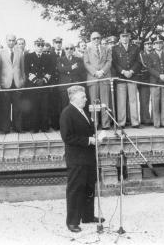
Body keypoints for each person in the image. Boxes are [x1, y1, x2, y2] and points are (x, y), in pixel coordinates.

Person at [59, 85, 105, 233]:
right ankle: (72, 221)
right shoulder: (67, 113)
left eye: (85, 96)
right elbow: (67, 137)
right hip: (77, 159)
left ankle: (87, 216)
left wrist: (96, 137)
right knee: (75, 189)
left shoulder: (82, 111)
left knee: (89, 187)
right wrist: (89, 140)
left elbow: (88, 131)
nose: (86, 99)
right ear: (73, 98)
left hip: (88, 157)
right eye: (83, 97)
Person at [0, 34, 25, 133]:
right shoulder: (0, 52)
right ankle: (6, 128)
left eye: (13, 40)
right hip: (5, 83)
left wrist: (22, 81)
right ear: (6, 41)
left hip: (17, 83)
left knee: (18, 107)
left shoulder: (20, 52)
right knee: (5, 107)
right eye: (9, 40)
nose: (11, 42)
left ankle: (18, 127)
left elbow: (22, 68)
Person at [112, 29, 140, 128]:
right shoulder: (115, 48)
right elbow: (114, 63)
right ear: (120, 37)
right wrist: (123, 71)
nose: (125, 38)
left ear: (129, 37)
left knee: (133, 100)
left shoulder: (135, 47)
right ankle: (121, 122)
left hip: (132, 76)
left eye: (126, 36)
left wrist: (131, 71)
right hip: (121, 77)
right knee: (121, 100)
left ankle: (135, 122)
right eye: (123, 36)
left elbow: (138, 62)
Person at [83, 32, 112, 129]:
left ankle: (106, 124)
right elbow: (86, 63)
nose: (96, 40)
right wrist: (95, 73)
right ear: (91, 39)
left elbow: (109, 61)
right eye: (94, 38)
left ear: (100, 39)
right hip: (93, 78)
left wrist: (102, 72)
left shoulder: (106, 49)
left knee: (105, 102)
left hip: (104, 77)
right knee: (93, 102)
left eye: (98, 38)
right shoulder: (87, 49)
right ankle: (94, 124)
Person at [24, 38, 53, 133]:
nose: (40, 47)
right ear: (34, 46)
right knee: (34, 106)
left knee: (44, 106)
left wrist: (44, 80)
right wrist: (35, 80)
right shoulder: (28, 56)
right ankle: (34, 127)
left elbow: (50, 70)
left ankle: (44, 127)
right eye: (38, 45)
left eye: (41, 45)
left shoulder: (47, 57)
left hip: (44, 85)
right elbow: (26, 70)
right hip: (33, 85)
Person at [149, 34, 164, 128]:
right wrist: (159, 75)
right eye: (156, 43)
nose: (158, 45)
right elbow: (149, 68)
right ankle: (156, 123)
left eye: (160, 43)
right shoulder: (150, 54)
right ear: (154, 45)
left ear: (163, 44)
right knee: (155, 103)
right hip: (155, 81)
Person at [57, 43, 85, 109]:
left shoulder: (78, 59)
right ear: (64, 50)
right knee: (65, 107)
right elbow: (60, 69)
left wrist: (66, 68)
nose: (69, 50)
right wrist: (72, 67)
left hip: (75, 86)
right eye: (67, 48)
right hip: (64, 87)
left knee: (77, 106)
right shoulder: (59, 59)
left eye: (71, 48)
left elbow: (79, 70)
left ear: (73, 50)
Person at [50, 37, 65, 130]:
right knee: (55, 104)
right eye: (56, 43)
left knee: (64, 103)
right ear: (53, 44)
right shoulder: (49, 55)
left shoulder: (65, 53)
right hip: (54, 82)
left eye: (60, 42)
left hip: (63, 81)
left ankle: (64, 124)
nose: (58, 44)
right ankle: (55, 125)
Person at [138, 38, 153, 125]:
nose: (149, 45)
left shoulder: (155, 54)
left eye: (150, 44)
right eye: (147, 44)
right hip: (144, 80)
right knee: (144, 101)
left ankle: (153, 119)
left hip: (154, 80)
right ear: (144, 46)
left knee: (154, 101)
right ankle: (145, 119)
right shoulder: (141, 55)